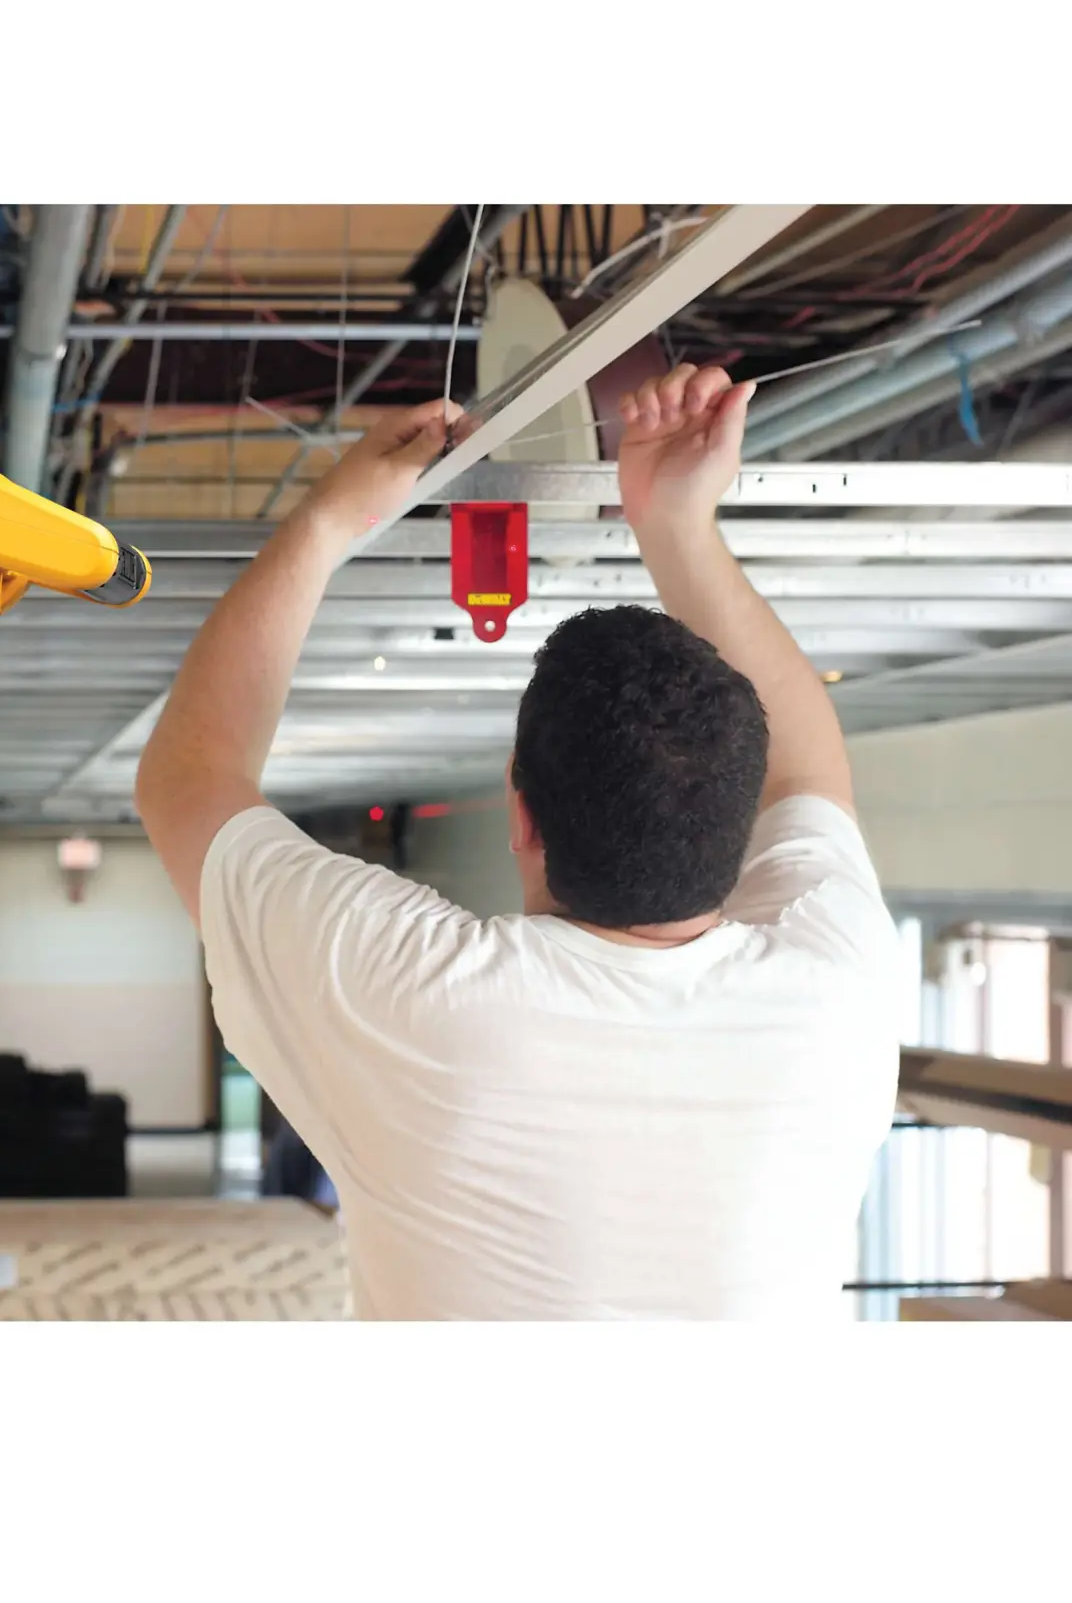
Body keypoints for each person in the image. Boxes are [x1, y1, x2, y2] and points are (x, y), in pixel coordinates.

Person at [135, 366, 900, 1321]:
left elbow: (187, 781)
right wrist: (329, 522)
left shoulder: (840, 980)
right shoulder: (839, 983)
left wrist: (339, 522)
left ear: (519, 812)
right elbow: (188, 783)